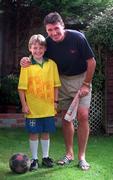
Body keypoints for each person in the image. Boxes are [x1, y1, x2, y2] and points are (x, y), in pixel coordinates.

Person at [20, 12, 96, 170]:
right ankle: (69, 154)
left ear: (63, 25)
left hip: (81, 79)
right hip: (61, 81)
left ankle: (82, 157)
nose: (53, 33)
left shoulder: (77, 38)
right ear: (46, 30)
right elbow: (36, 55)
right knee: (67, 119)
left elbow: (91, 61)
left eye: (56, 28)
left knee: (83, 115)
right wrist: (25, 60)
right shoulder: (48, 43)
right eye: (49, 30)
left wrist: (86, 84)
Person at [18, 34, 61, 171]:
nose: (38, 50)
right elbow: (21, 88)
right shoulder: (26, 66)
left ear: (45, 48)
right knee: (34, 133)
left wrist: (55, 102)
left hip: (48, 107)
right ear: (30, 48)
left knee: (46, 132)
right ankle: (35, 159)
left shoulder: (52, 64)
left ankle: (46, 157)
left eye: (40, 48)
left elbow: (56, 85)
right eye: (35, 48)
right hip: (32, 108)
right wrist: (24, 105)